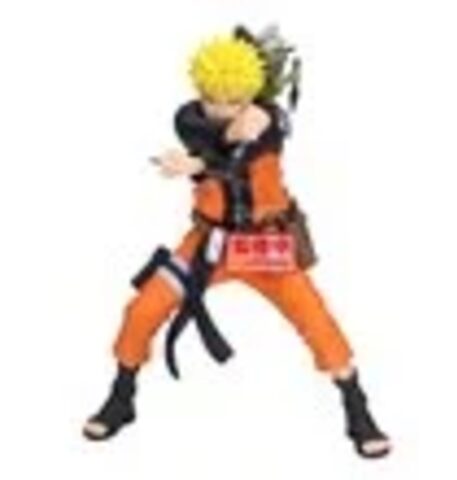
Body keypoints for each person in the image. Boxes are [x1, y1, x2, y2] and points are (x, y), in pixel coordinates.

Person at [83, 27, 391, 459]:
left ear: (252, 94)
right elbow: (210, 145)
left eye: (234, 100)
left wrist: (226, 145)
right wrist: (206, 154)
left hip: (267, 248)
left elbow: (252, 147)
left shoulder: (270, 122)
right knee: (144, 309)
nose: (221, 107)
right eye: (213, 98)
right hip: (208, 243)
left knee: (317, 321)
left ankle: (356, 406)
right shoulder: (190, 119)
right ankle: (122, 394)